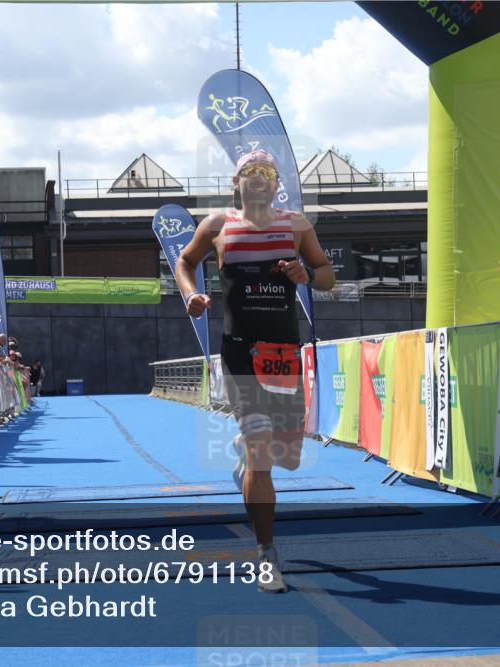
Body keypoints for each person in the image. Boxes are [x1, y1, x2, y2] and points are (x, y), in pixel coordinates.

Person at [176, 150, 335, 593]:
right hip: (240, 352)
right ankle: (267, 555)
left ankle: (246, 456)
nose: (260, 178)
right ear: (237, 181)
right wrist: (190, 294)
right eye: (251, 172)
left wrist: (307, 275)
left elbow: (328, 275)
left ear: (277, 183)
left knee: (289, 457)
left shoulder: (297, 226)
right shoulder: (217, 225)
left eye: (268, 172)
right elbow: (186, 261)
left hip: (283, 352)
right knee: (263, 454)